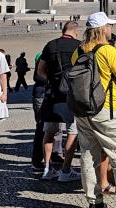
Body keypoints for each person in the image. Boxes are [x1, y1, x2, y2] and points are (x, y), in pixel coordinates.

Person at [72, 12, 116, 208]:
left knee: (87, 155)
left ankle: (94, 201)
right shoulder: (108, 50)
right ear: (102, 29)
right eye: (109, 26)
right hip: (107, 109)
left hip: (83, 109)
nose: (111, 29)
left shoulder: (79, 50)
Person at [35, 21, 83, 182]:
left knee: (49, 132)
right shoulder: (79, 46)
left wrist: (53, 80)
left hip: (52, 94)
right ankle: (66, 170)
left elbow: (40, 70)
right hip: (72, 94)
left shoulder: (50, 45)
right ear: (76, 31)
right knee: (72, 132)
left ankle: (47, 168)